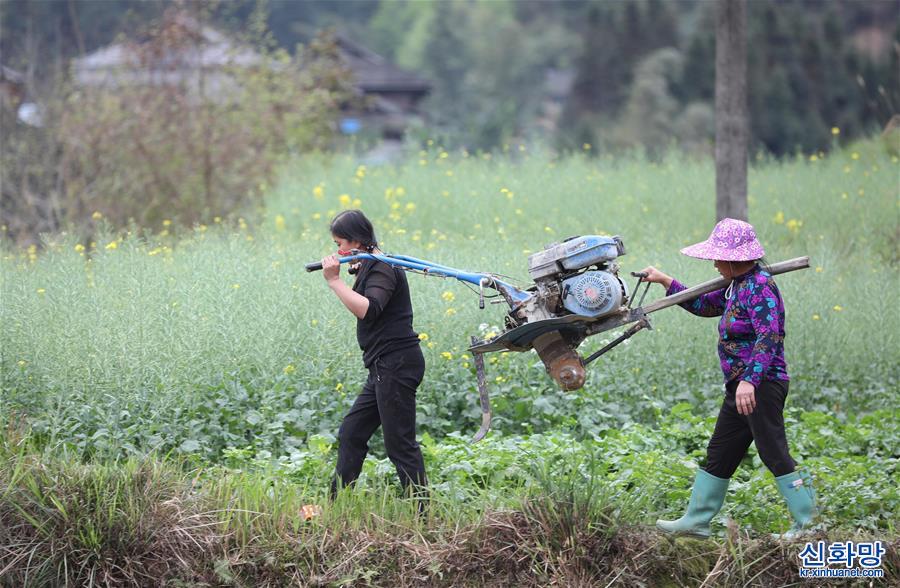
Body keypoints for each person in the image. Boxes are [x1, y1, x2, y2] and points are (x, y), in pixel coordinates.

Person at [638, 218, 815, 539]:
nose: (715, 264)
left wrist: (750, 380)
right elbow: (704, 306)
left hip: (761, 384)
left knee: (773, 451)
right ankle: (696, 521)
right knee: (720, 451)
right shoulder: (736, 286)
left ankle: (808, 525)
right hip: (741, 386)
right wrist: (666, 280)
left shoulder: (759, 286)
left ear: (735, 259)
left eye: (719, 258)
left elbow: (769, 336)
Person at [320, 210, 428, 505]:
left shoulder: (383, 267)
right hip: (384, 366)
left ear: (357, 240)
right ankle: (336, 505)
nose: (338, 251)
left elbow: (368, 309)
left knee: (400, 446)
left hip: (396, 363)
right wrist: (354, 269)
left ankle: (422, 514)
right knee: (352, 432)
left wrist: (334, 281)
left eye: (340, 243)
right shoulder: (370, 265)